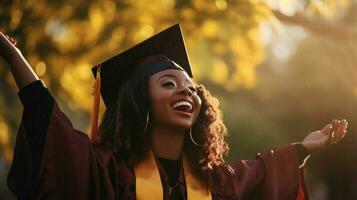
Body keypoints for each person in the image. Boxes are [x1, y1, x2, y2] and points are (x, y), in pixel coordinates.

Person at [1, 24, 348, 200]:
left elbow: (260, 173)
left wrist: (303, 148)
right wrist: (13, 57)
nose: (185, 90)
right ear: (140, 102)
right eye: (168, 83)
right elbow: (49, 124)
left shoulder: (214, 181)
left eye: (191, 88)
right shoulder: (108, 171)